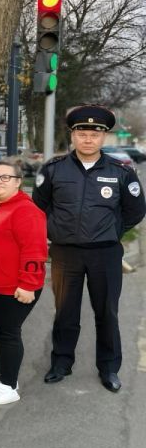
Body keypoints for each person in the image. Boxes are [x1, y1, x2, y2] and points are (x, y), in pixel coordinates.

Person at [33, 105, 146, 393]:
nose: (88, 139)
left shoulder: (121, 172)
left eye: (94, 134)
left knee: (107, 312)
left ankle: (109, 368)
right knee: (65, 311)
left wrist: (112, 231)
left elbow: (135, 210)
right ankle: (61, 363)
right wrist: (55, 230)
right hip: (65, 253)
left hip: (105, 253)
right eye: (82, 133)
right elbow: (39, 207)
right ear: (72, 135)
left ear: (103, 137)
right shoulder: (54, 169)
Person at [0, 159, 48, 405]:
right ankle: (5, 374)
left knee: (8, 333)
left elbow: (35, 250)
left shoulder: (26, 210)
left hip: (14, 287)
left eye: (6, 177)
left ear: (18, 182)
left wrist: (28, 284)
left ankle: (9, 385)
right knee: (1, 331)